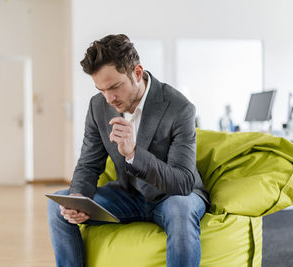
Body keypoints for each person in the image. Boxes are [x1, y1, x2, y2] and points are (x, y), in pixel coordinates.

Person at [47, 34, 209, 267]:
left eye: (114, 87)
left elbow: (183, 182)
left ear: (137, 72)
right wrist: (78, 198)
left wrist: (133, 154)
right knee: (59, 204)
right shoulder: (98, 106)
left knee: (181, 210)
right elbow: (88, 165)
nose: (109, 98)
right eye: (101, 89)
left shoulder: (179, 108)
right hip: (129, 195)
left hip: (172, 196)